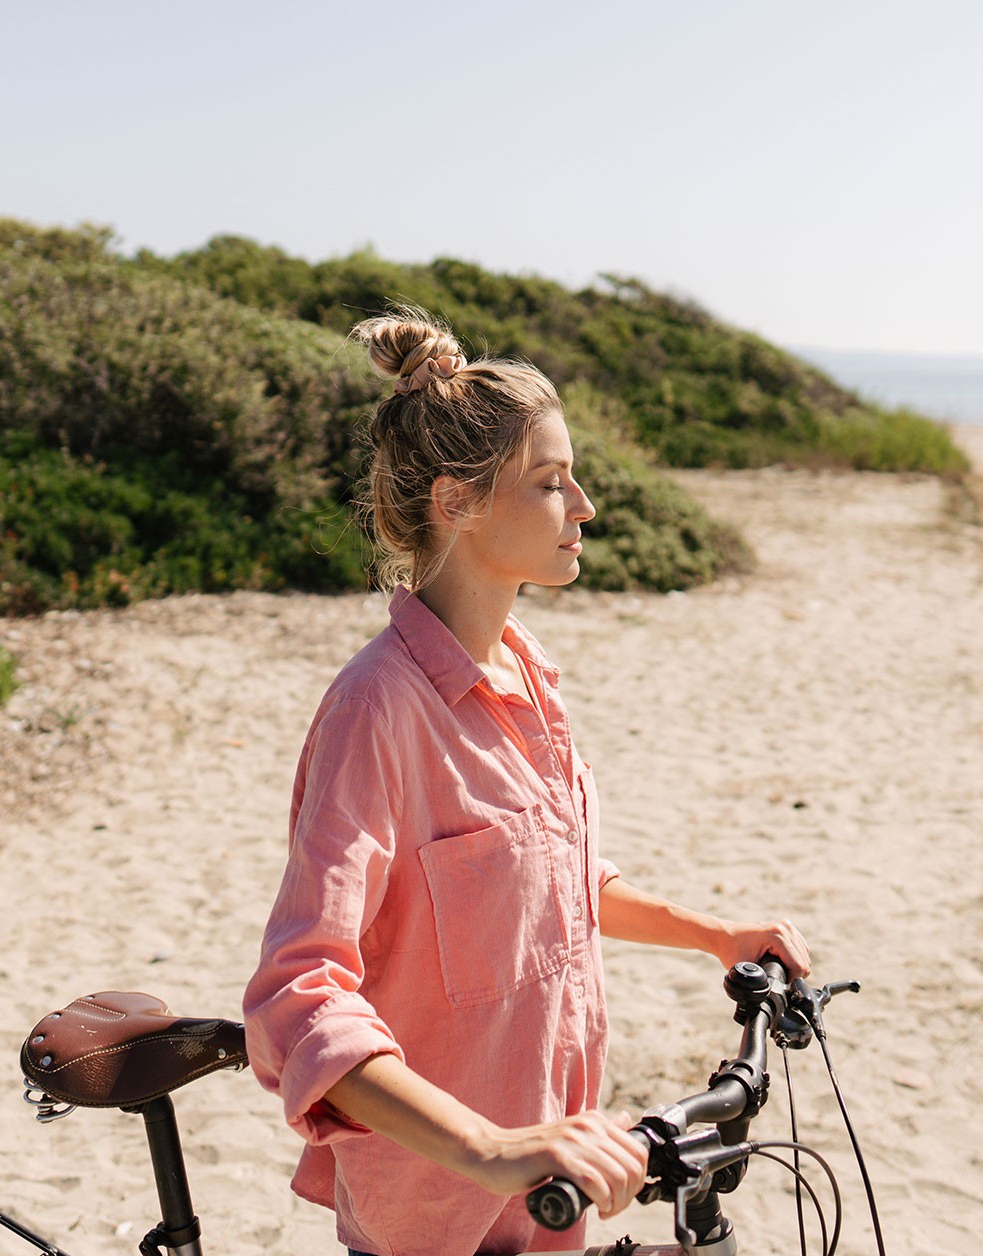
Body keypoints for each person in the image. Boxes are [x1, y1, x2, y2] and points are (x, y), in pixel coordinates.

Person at [243, 309, 812, 1256]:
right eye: (550, 484)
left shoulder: (528, 671)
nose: (584, 505)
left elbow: (561, 886)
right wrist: (491, 1146)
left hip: (555, 1184)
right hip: (439, 1213)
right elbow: (298, 995)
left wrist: (716, 935)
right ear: (457, 502)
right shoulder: (376, 711)